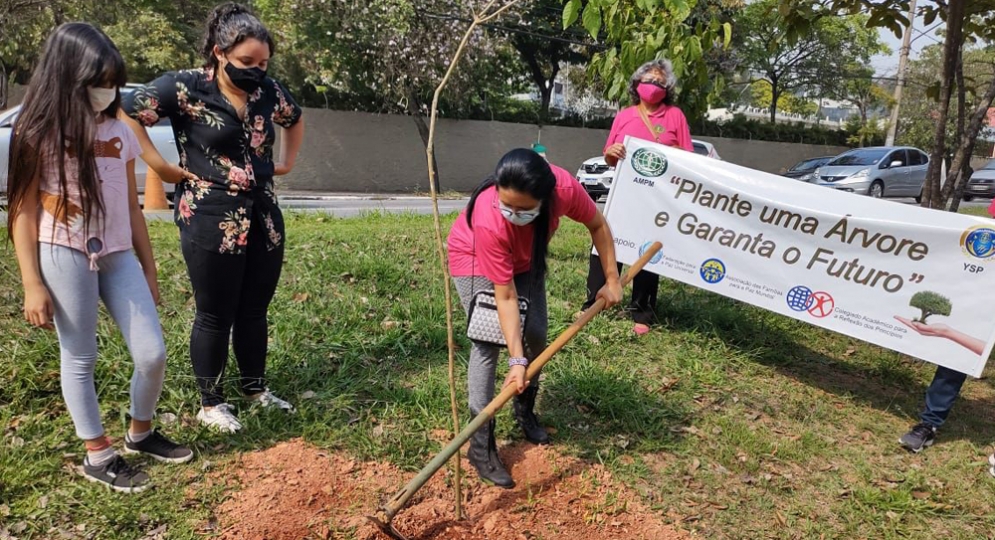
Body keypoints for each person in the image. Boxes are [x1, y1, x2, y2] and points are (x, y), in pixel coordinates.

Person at [7, 23, 193, 493]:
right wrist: (32, 282)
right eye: (98, 81)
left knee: (152, 353)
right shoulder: (36, 132)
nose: (107, 91)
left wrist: (148, 269)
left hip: (117, 254)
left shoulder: (121, 129)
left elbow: (131, 205)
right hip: (63, 251)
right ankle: (98, 454)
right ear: (67, 77)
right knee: (80, 356)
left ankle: (141, 432)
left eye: (112, 80)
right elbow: (24, 211)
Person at [120, 2, 305, 433]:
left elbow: (294, 120)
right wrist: (156, 165)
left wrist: (288, 162)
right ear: (220, 52)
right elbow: (127, 112)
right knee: (215, 311)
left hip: (262, 215)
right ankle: (211, 402)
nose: (255, 70)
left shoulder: (267, 92)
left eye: (262, 63)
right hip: (209, 215)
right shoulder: (184, 88)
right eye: (246, 62)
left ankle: (256, 389)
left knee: (255, 308)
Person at [447, 148, 623, 488]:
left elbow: (598, 224)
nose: (513, 215)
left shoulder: (565, 190)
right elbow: (506, 295)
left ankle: (524, 409)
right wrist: (515, 359)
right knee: (489, 342)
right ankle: (480, 444)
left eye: (524, 209)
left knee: (538, 334)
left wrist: (612, 279)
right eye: (507, 205)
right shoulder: (489, 218)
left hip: (526, 262)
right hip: (475, 257)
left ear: (547, 199)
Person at [581, 59, 693, 335]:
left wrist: (672, 154)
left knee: (647, 251)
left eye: (659, 82)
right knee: (606, 245)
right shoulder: (625, 115)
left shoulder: (675, 116)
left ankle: (642, 311)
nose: (653, 86)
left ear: (667, 89)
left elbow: (688, 158)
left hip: (657, 200)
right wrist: (613, 152)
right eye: (649, 80)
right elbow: (608, 155)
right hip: (623, 194)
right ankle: (593, 301)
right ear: (636, 85)